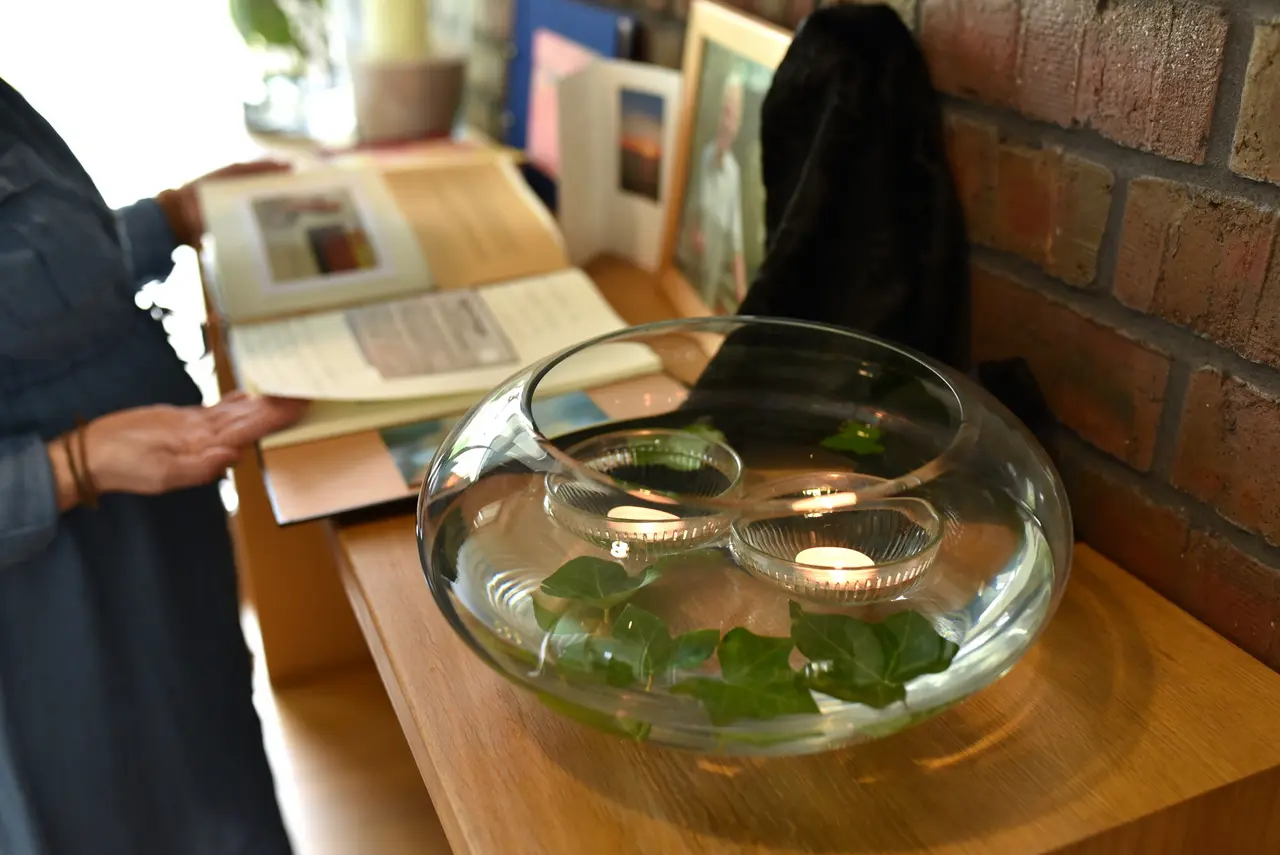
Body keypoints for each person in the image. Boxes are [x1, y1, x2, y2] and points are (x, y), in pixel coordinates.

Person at [0, 78, 307, 853]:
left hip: (154, 537)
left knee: (221, 778)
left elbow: (39, 287)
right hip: (51, 603)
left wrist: (168, 217)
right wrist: (75, 463)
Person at [690, 71, 748, 312]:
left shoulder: (734, 173)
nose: (727, 122)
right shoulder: (704, 156)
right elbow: (693, 206)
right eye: (725, 112)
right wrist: (695, 231)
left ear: (739, 123)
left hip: (710, 280)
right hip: (690, 269)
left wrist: (742, 289)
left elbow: (736, 238)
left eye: (733, 116)